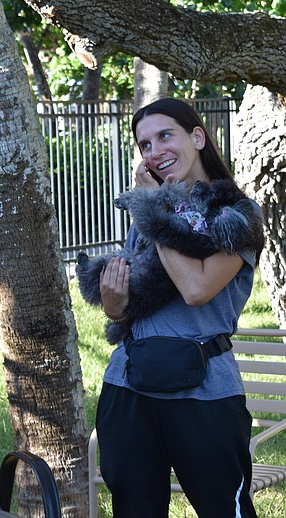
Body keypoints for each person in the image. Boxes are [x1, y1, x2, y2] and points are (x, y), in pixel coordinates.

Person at [96, 98, 260, 517]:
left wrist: (153, 209)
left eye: (165, 135)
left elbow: (196, 288)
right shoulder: (146, 216)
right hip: (129, 383)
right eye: (145, 144)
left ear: (198, 137)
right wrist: (115, 303)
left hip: (204, 390)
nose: (155, 151)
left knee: (224, 509)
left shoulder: (236, 214)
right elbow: (129, 309)